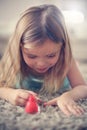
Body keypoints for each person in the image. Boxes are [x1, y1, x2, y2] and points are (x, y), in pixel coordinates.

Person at [0, 4, 87, 116]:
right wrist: (9, 94)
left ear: (62, 47)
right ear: (19, 48)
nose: (41, 64)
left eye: (51, 55)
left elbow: (83, 87)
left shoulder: (66, 59)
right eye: (32, 56)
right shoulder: (12, 59)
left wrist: (68, 96)